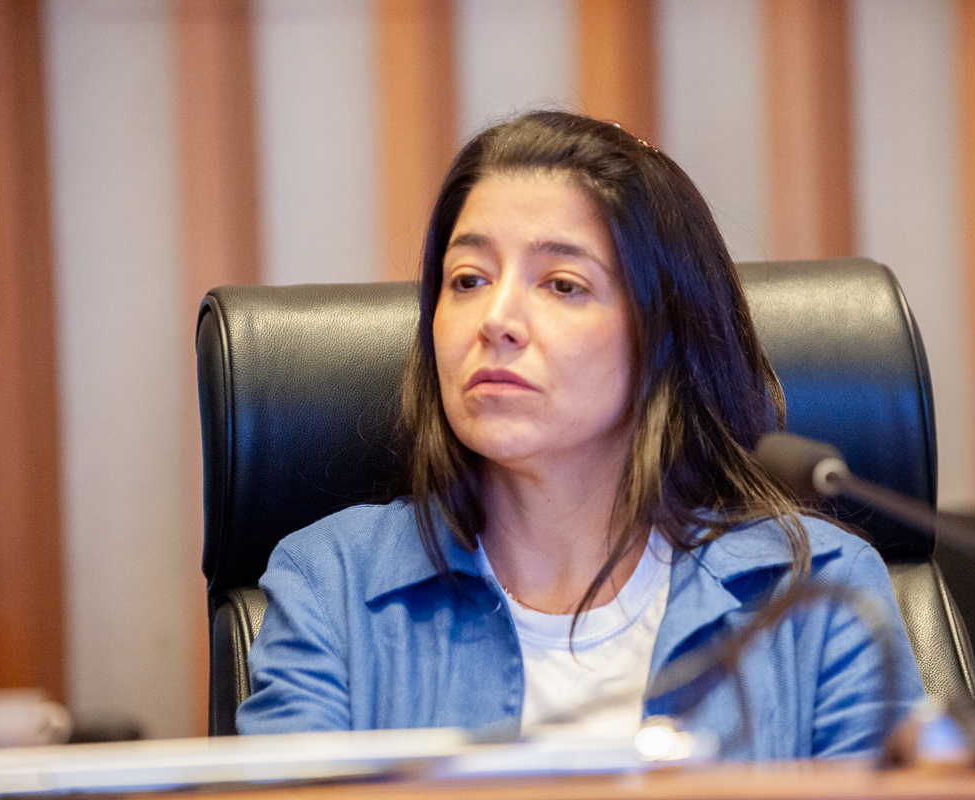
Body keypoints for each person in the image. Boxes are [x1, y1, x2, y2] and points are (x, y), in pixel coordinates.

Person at [236, 111, 926, 760]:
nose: (496, 320)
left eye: (563, 285)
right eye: (468, 279)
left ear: (665, 336)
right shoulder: (331, 585)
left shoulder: (820, 591)